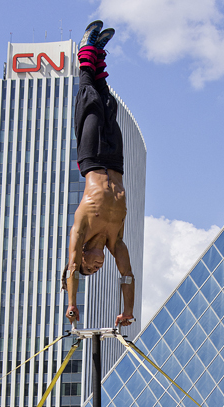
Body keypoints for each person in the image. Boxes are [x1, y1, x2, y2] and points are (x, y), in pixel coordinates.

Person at [63, 21, 135, 328]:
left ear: (81, 259)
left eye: (88, 269)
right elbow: (127, 273)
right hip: (115, 163)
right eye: (97, 269)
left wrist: (71, 305)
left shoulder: (81, 227)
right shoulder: (114, 240)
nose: (96, 266)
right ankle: (99, 58)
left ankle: (86, 52)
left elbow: (68, 271)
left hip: (92, 160)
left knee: (90, 102)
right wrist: (127, 310)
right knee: (108, 105)